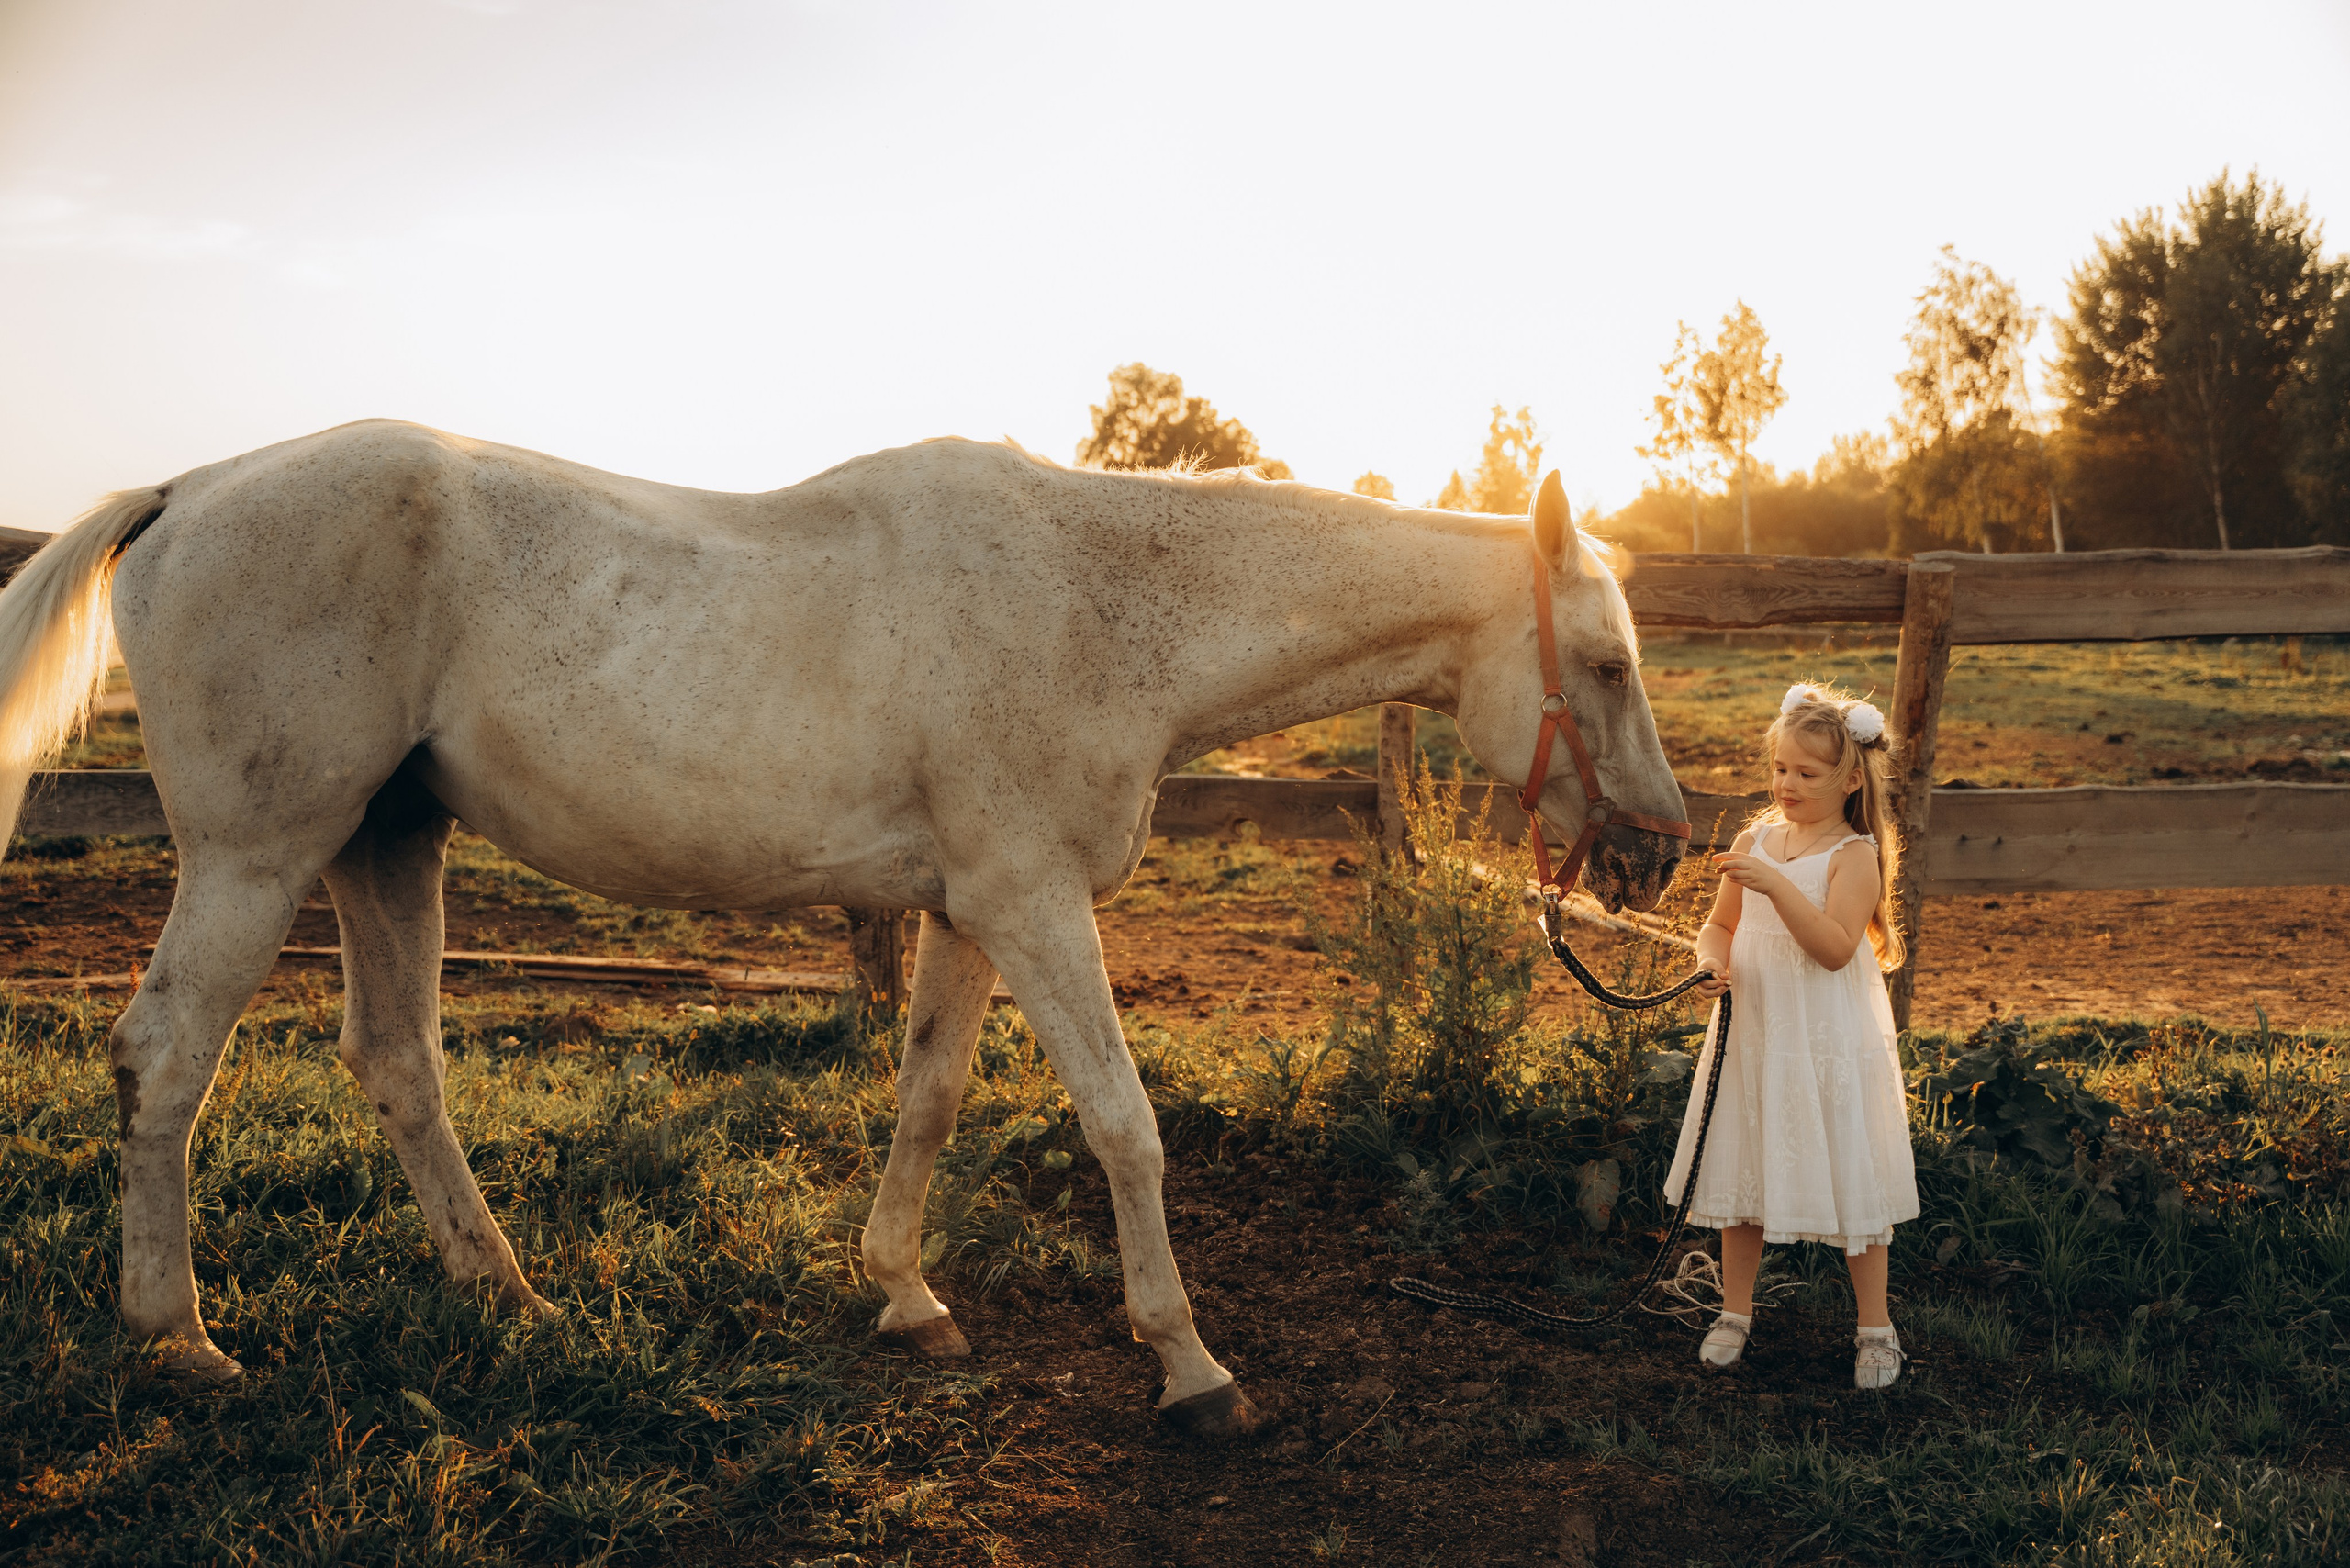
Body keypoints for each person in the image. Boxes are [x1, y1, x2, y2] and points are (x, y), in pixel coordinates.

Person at [1662, 681, 1920, 1390]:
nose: (1787, 784)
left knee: (1851, 1175)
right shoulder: (1755, 838)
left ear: (1849, 780)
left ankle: (1875, 1328)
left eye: (1807, 773)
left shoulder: (1854, 855)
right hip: (1756, 1033)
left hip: (1825, 1041)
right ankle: (1734, 1312)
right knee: (1744, 1164)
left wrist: (1775, 886)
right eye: (1780, 769)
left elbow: (1835, 948)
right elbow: (1719, 925)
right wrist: (1710, 963)